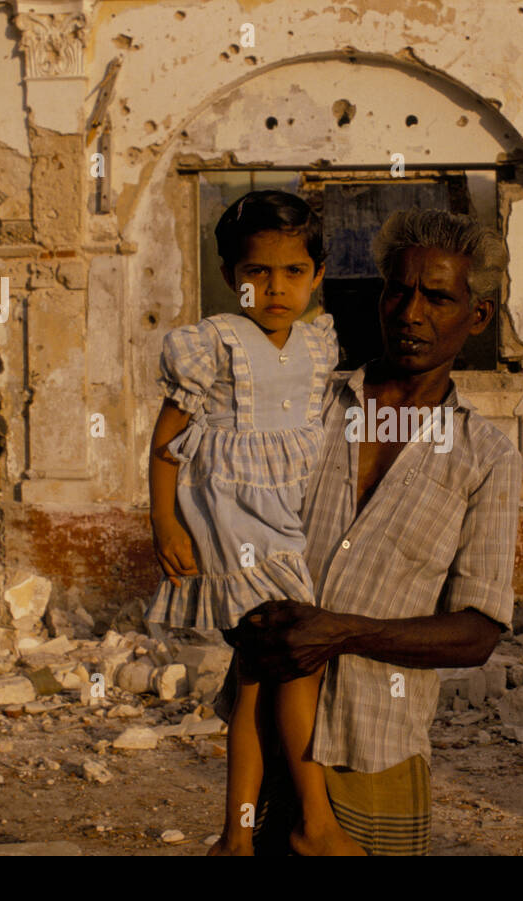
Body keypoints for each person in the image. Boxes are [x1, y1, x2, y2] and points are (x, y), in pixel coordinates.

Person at [217, 207, 523, 855]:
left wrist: (341, 632)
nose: (411, 312)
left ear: (478, 316)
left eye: (437, 296)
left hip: (378, 751)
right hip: (269, 743)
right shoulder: (307, 407)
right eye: (398, 290)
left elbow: (477, 632)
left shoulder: (486, 456)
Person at [145, 190, 365, 856]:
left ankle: (237, 836)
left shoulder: (318, 341)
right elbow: (165, 441)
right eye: (256, 272)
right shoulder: (213, 343)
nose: (275, 287)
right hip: (234, 523)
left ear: (318, 275)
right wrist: (164, 522)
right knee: (294, 662)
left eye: (293, 271)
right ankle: (313, 824)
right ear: (230, 276)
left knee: (257, 678)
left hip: (296, 522)